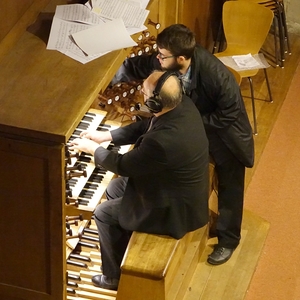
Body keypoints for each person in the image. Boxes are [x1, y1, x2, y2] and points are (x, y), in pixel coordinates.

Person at [110, 24, 255, 265]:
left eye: (162, 56)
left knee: (230, 187)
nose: (157, 59)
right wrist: (112, 79)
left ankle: (229, 240)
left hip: (224, 134)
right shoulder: (166, 59)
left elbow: (228, 115)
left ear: (181, 58)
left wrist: (190, 124)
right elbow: (138, 65)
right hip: (190, 123)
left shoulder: (217, 77)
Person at [70, 70, 209, 290]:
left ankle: (114, 278)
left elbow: (123, 165)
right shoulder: (183, 106)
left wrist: (93, 149)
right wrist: (107, 136)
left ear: (154, 103)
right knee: (115, 187)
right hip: (175, 186)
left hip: (174, 210)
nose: (141, 94)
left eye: (143, 92)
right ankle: (123, 239)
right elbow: (146, 126)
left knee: (103, 213)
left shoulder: (162, 143)